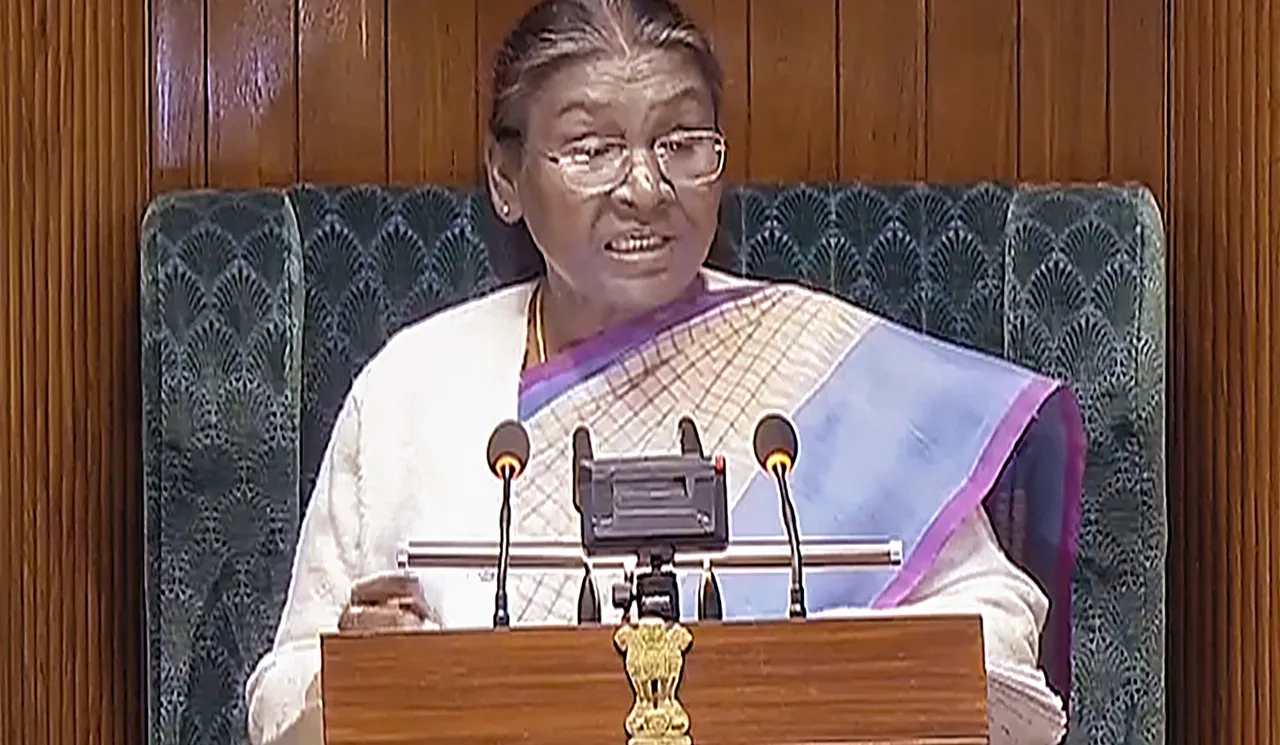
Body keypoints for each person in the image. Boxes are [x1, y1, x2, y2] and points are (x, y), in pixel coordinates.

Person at [244, 1, 1085, 743]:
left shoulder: (826, 364)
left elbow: (996, 629)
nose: (645, 188)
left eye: (681, 142)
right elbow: (282, 692)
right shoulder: (415, 385)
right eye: (590, 148)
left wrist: (822, 679)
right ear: (506, 176)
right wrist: (356, 671)